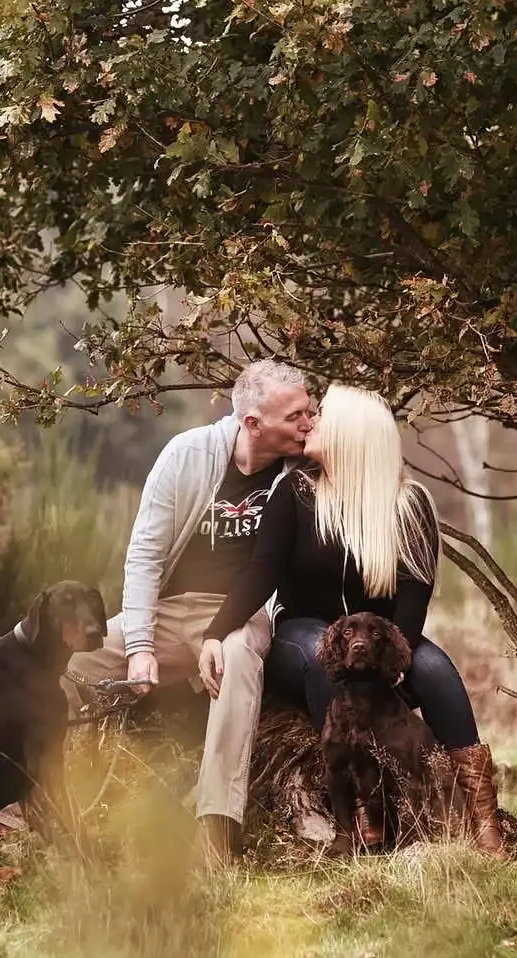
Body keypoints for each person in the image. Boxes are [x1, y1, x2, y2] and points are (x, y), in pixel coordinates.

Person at [202, 383, 505, 857]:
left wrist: (396, 663)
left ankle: (482, 815)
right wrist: (215, 632)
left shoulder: (409, 503)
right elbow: (261, 572)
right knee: (320, 650)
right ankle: (363, 806)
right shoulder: (295, 493)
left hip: (383, 639)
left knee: (435, 670)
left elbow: (414, 594)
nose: (311, 422)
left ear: (351, 434)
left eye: (322, 416)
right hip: (303, 633)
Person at [62, 359, 312, 865]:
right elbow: (145, 554)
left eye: (310, 412)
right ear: (253, 424)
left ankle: (216, 829)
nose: (309, 424)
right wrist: (139, 648)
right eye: (296, 417)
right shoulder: (188, 454)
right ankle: (21, 810)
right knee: (70, 664)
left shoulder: (303, 470)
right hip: (171, 612)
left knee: (236, 659)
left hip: (243, 614)